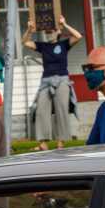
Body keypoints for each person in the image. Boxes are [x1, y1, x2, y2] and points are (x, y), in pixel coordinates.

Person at [23, 15, 82, 150]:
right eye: (47, 31)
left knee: (61, 109)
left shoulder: (64, 44)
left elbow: (78, 36)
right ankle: (43, 143)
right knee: (41, 110)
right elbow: (25, 42)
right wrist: (30, 30)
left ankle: (61, 142)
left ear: (58, 32)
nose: (49, 33)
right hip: (46, 81)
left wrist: (64, 24)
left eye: (52, 30)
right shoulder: (43, 46)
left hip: (62, 80)